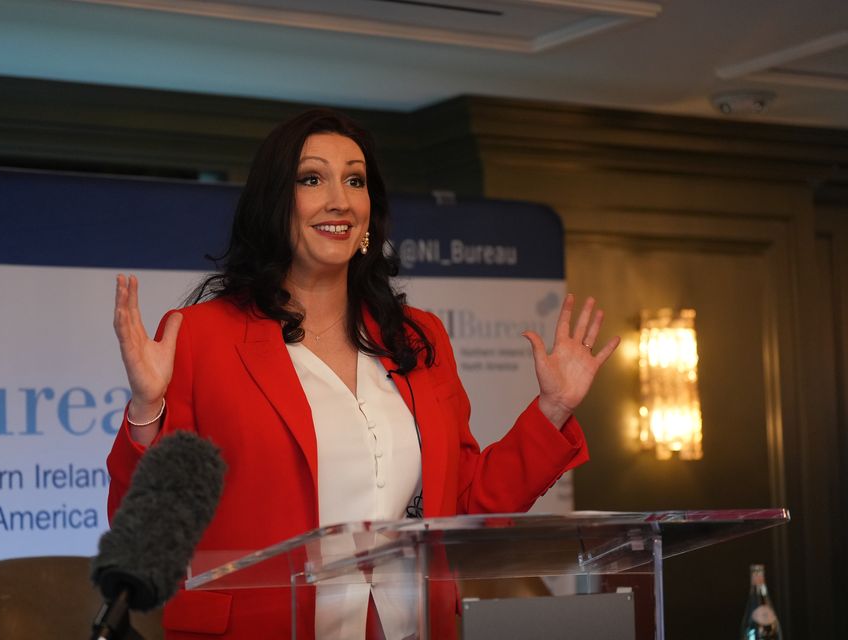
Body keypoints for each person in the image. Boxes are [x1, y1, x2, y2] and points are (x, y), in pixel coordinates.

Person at [105, 108, 619, 640]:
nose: (340, 200)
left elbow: (463, 505)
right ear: (275, 202)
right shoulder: (202, 335)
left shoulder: (418, 338)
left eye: (355, 179)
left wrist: (552, 409)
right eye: (312, 179)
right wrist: (147, 410)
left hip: (412, 626)